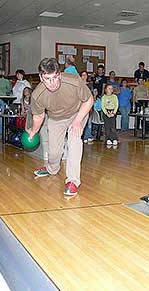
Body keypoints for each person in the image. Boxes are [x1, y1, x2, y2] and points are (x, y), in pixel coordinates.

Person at [28, 58, 94, 196]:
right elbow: (38, 116)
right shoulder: (37, 95)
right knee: (54, 152)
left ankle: (73, 181)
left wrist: (77, 121)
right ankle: (52, 169)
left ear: (59, 74)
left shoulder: (74, 81)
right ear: (41, 77)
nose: (52, 83)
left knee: (74, 140)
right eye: (47, 79)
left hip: (77, 113)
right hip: (56, 119)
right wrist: (33, 131)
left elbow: (89, 100)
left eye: (55, 78)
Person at [0, 69, 11, 136]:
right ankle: (0, 132)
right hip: (3, 99)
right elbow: (9, 90)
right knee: (1, 116)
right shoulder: (6, 81)